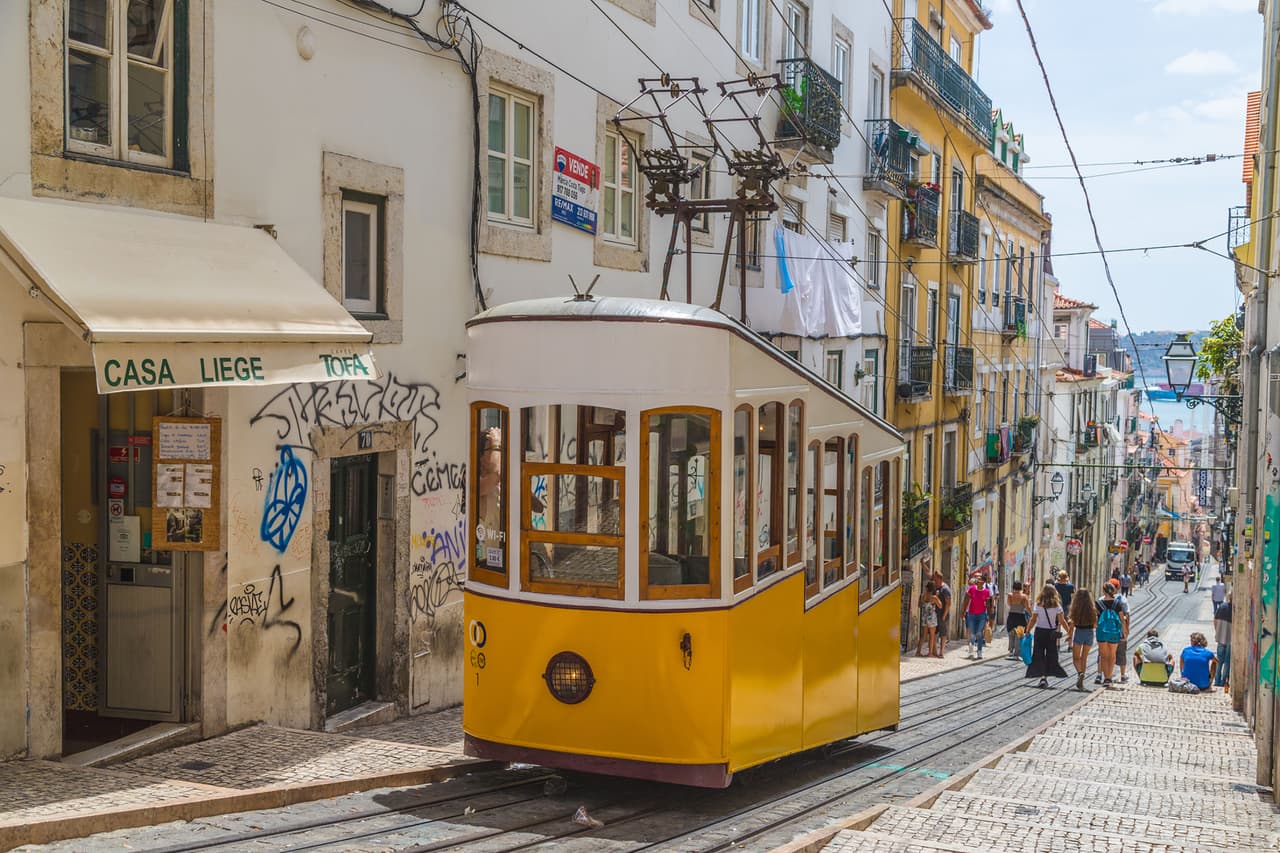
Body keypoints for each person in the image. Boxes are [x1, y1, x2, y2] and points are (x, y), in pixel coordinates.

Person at [1025, 584, 1069, 688]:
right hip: (1051, 633)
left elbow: (1033, 619)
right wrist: (1069, 632)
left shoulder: (1038, 604)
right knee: (1051, 654)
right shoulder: (1057, 605)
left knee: (1039, 654)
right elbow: (1062, 621)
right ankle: (1046, 676)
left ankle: (1042, 677)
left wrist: (1027, 630)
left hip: (1040, 632)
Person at [1095, 582, 1126, 689]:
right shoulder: (1118, 603)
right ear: (1113, 590)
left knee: (1103, 656)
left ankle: (1105, 678)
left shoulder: (1098, 603)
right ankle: (1109, 677)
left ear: (1103, 591)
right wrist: (1125, 632)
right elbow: (1122, 619)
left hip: (1102, 632)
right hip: (1114, 632)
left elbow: (1096, 619)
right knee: (1112, 655)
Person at [1067, 588, 1096, 692]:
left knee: (1076, 658)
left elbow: (1072, 625)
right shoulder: (1092, 609)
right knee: (1084, 658)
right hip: (1089, 634)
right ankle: (1081, 683)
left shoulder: (1075, 609)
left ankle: (1080, 673)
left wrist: (1070, 636)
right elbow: (1095, 624)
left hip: (1079, 632)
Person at [963, 574, 992, 659]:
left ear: (983, 582)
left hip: (982, 615)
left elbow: (988, 605)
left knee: (979, 633)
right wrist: (963, 611)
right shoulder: (972, 589)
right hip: (971, 614)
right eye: (977, 579)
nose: (978, 581)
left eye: (980, 580)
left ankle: (979, 651)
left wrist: (989, 617)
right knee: (972, 633)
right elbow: (966, 601)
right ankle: (971, 649)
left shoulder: (986, 592)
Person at [916, 582, 942, 658]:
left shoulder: (922, 596)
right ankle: (930, 653)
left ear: (926, 588)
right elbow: (940, 606)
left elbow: (919, 605)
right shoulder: (934, 597)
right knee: (932, 635)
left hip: (924, 617)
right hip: (932, 618)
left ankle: (918, 651)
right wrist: (937, 596)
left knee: (923, 635)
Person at [1005, 581, 1029, 660]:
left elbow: (1009, 603)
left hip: (1011, 615)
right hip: (1020, 616)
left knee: (1011, 633)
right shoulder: (1024, 596)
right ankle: (1017, 653)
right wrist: (1032, 615)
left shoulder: (1010, 595)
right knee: (1019, 635)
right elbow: (1027, 607)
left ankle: (1011, 651)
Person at [931, 572, 952, 658]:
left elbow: (948, 603)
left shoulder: (945, 589)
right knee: (934, 633)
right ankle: (935, 651)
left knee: (943, 633)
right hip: (934, 614)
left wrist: (944, 615)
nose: (934, 580)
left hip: (942, 614)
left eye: (935, 579)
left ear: (939, 578)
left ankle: (942, 652)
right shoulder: (935, 587)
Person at [1214, 595, 1233, 688]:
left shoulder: (1222, 606)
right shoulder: (1235, 609)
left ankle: (1217, 680)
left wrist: (1217, 631)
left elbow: (1215, 620)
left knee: (1219, 660)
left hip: (1221, 637)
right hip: (1230, 639)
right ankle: (1223, 681)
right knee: (1227, 661)